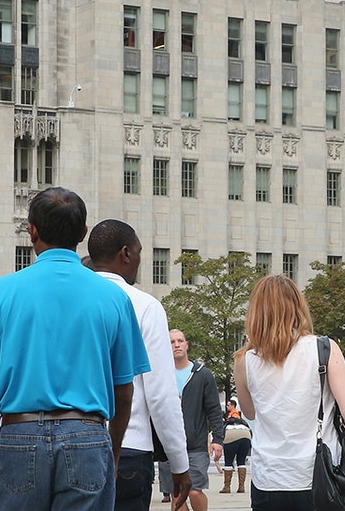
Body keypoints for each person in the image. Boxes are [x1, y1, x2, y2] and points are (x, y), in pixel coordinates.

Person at [0, 186, 150, 511]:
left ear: (31, 230)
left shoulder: (1, 293)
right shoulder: (115, 298)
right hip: (87, 435)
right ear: (82, 232)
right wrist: (112, 453)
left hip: (20, 434)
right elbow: (124, 391)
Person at [232, 274, 345, 511]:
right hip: (318, 474)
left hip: (268, 477)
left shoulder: (244, 360)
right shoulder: (324, 348)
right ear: (297, 306)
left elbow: (250, 413)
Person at [87, 219, 192, 511]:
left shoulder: (73, 298)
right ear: (126, 254)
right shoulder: (145, 306)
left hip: (77, 439)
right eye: (140, 252)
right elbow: (160, 394)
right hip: (131, 446)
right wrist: (179, 464)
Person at [169, 329, 225, 511]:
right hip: (169, 445)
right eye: (171, 342)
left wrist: (217, 440)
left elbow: (214, 410)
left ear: (187, 345)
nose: (176, 345)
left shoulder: (202, 374)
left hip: (196, 445)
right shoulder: (162, 374)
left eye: (180, 341)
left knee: (194, 491)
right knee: (176, 495)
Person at [220, 400, 252, 494]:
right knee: (241, 461)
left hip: (231, 434)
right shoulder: (241, 419)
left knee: (229, 462)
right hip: (246, 434)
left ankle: (227, 487)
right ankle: (241, 487)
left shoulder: (232, 416)